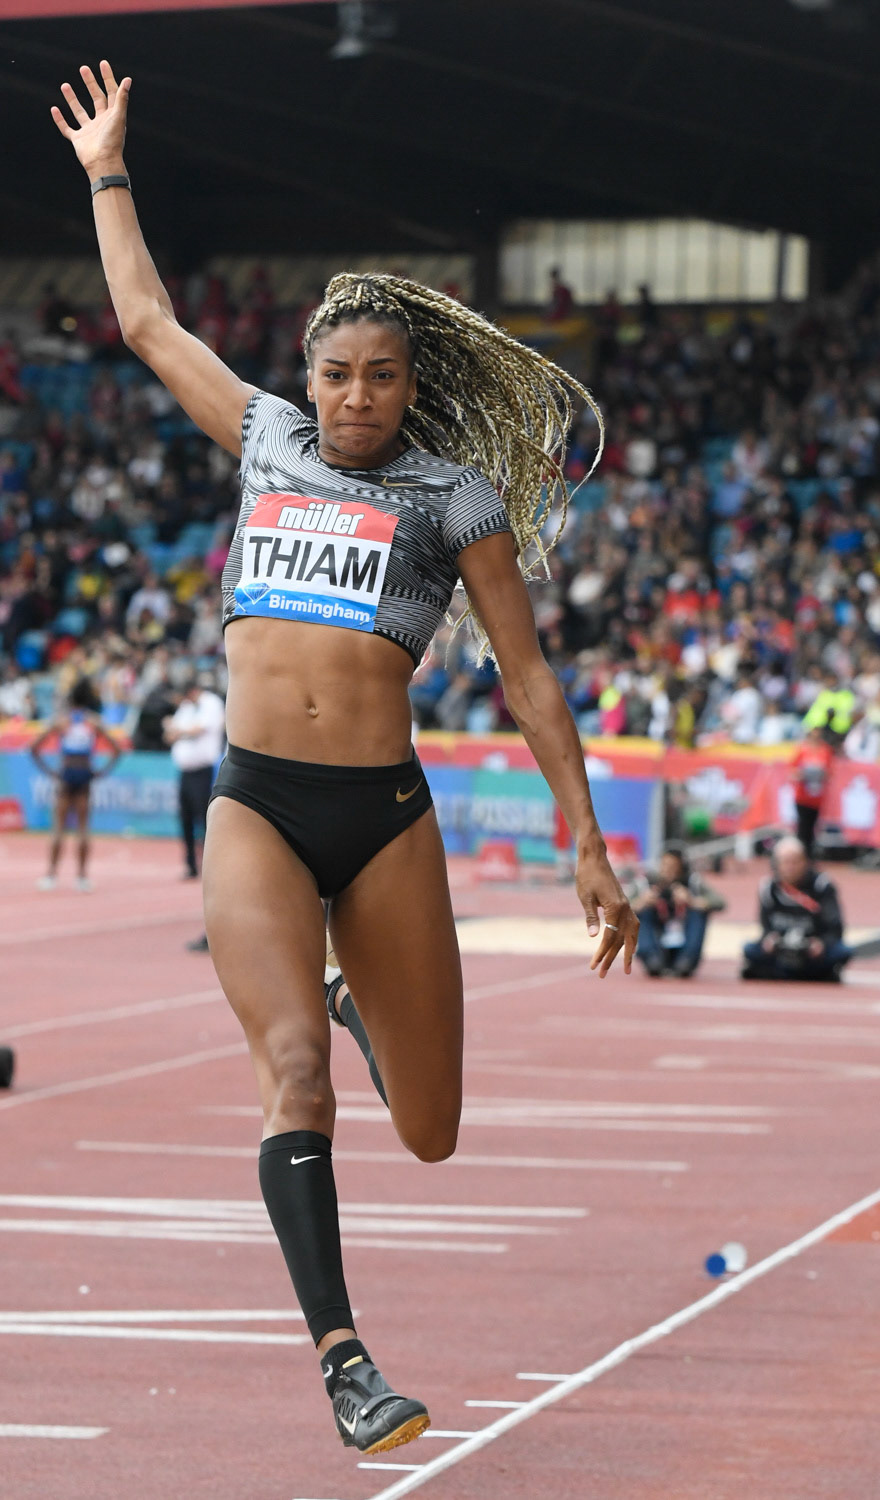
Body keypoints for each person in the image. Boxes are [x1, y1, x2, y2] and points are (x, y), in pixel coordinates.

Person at [52, 61, 638, 1459]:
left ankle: (359, 997)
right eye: (335, 372)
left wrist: (588, 839)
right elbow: (144, 320)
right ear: (305, 376)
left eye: (380, 375)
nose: (356, 394)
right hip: (257, 804)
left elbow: (532, 676)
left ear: (411, 383)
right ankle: (345, 1363)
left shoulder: (456, 499)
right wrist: (107, 172)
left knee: (430, 1130)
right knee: (292, 1076)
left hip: (380, 817)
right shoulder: (262, 437)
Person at [31, 677, 122, 891]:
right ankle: (81, 877)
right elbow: (116, 749)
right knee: (83, 827)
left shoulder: (62, 721)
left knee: (58, 827)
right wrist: (101, 772)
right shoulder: (93, 722)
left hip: (66, 772)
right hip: (85, 773)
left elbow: (34, 748)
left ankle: (51, 875)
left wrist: (50, 771)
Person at [741, 835, 852, 982]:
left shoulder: (821, 886)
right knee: (749, 949)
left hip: (811, 951)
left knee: (843, 951)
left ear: (805, 862)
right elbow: (765, 926)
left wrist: (821, 943)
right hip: (781, 950)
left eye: (795, 862)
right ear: (776, 864)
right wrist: (770, 939)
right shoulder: (768, 888)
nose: (790, 867)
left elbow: (835, 927)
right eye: (785, 862)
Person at [163, 673, 225, 880]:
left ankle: (212, 866)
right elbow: (170, 735)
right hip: (185, 771)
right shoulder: (187, 707)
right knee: (185, 819)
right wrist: (178, 730)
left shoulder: (211, 703)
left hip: (203, 771)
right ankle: (190, 864)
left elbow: (199, 729)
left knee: (205, 818)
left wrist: (177, 729)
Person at [630, 844, 725, 977]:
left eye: (673, 866)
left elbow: (720, 902)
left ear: (681, 867)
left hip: (684, 945)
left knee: (699, 912)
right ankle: (650, 956)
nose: (667, 870)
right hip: (657, 941)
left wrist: (691, 901)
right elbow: (621, 906)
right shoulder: (645, 883)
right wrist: (641, 902)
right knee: (642, 912)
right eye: (665, 865)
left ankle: (687, 959)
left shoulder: (693, 882)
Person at [790, 724, 834, 854]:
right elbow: (792, 771)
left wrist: (819, 774)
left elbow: (829, 773)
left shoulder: (826, 751)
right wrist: (803, 774)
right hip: (802, 795)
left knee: (812, 827)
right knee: (802, 826)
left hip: (817, 796)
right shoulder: (802, 750)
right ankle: (800, 854)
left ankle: (808, 855)